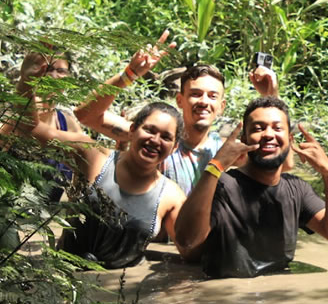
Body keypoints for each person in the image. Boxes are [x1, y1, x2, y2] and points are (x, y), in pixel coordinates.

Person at [13, 55, 187, 268]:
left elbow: (191, 252)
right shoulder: (92, 155)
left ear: (175, 147)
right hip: (67, 279)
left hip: (125, 294)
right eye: (149, 130)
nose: (155, 140)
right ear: (132, 130)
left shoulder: (172, 196)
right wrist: (26, 83)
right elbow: (30, 130)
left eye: (166, 137)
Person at [75, 33, 281, 194]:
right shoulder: (154, 140)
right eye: (196, 94)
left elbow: (283, 163)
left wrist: (272, 96)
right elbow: (86, 116)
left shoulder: (229, 151)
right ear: (180, 100)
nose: (203, 102)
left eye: (212, 96)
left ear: (222, 106)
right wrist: (128, 75)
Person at [174, 96, 328, 278]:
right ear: (244, 139)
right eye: (258, 128)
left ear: (289, 139)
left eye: (277, 128)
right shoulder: (222, 186)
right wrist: (216, 166)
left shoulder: (297, 190)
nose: (268, 134)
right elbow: (186, 242)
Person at [0, 51, 83, 201]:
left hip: (46, 218)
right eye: (48, 69)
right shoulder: (16, 111)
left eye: (61, 71)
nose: (54, 75)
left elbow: (82, 168)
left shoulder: (67, 122)